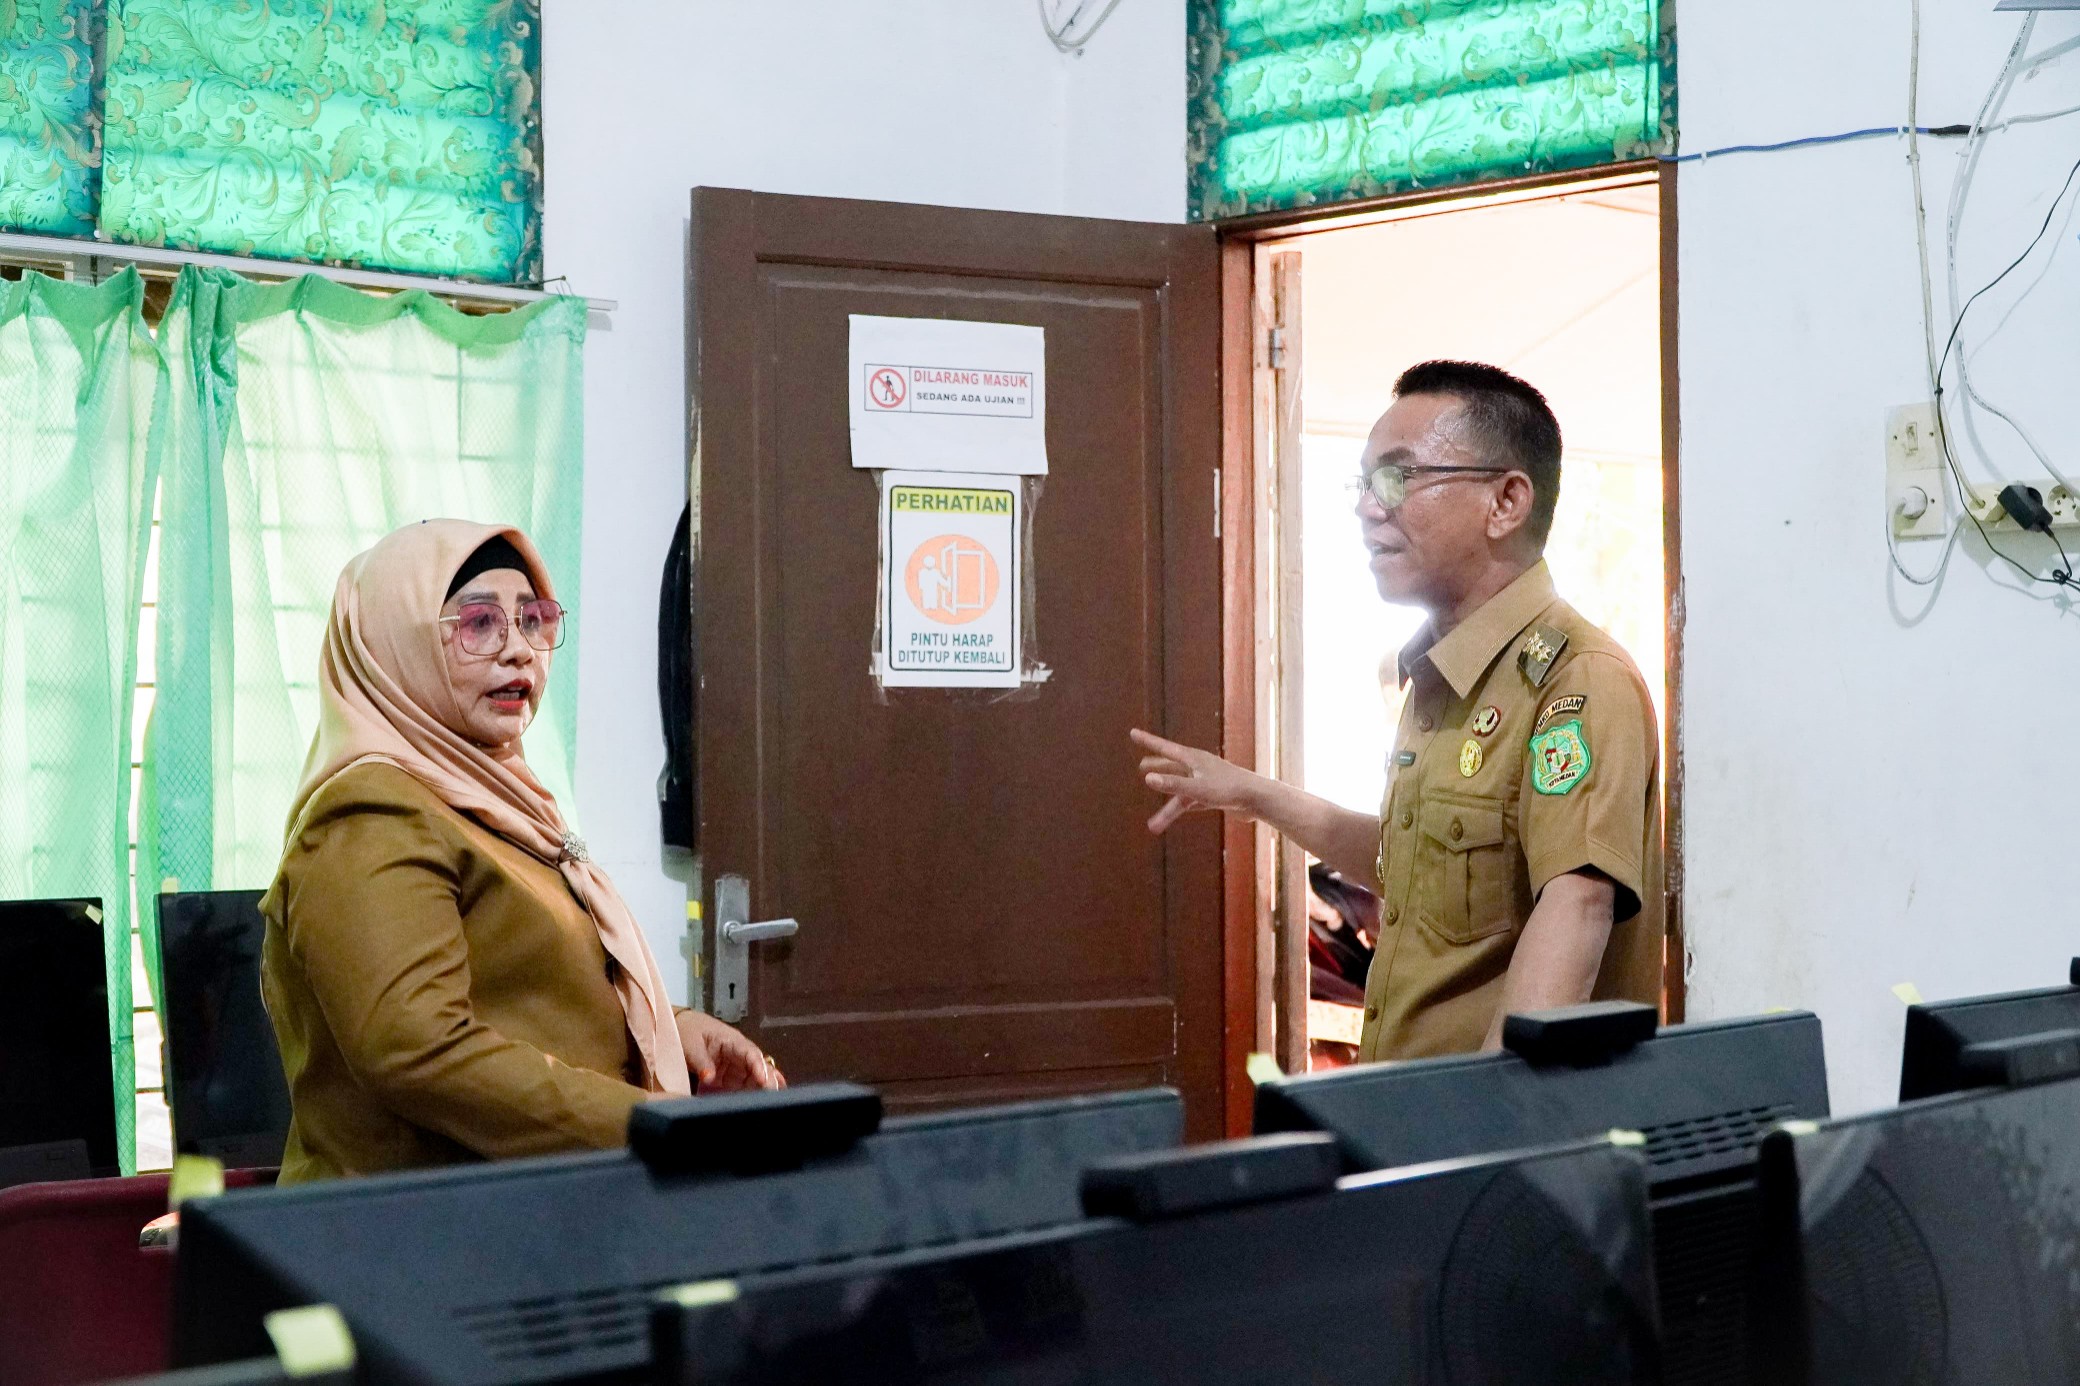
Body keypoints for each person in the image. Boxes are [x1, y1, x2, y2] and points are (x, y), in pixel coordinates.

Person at [1133, 361, 1662, 1061]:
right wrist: (1250, 793)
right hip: (1417, 1120)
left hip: (1490, 1134)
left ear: (1505, 502)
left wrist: (1489, 1126)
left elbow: (1577, 908)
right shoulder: (1442, 678)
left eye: (1398, 477)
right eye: (1364, 482)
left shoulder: (1576, 681)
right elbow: (1410, 864)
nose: (1367, 507)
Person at [259, 519, 780, 1183]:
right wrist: (653, 1126)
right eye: (478, 624)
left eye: (533, 620)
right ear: (395, 645)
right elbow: (420, 1052)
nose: (520, 651)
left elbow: (530, 994)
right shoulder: (370, 818)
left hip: (523, 1217)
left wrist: (673, 1030)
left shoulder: (495, 803)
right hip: (424, 1247)